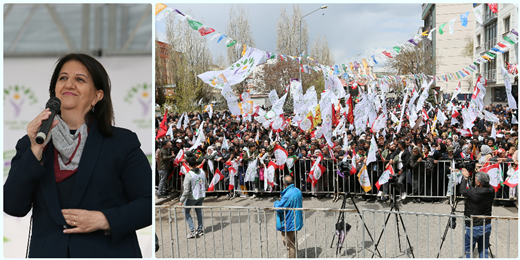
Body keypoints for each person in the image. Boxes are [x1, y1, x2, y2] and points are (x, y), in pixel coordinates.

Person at [3, 53, 151, 257]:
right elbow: (12, 206)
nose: (69, 84)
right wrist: (35, 149)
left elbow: (148, 202)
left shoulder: (121, 143)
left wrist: (104, 219)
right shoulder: (31, 143)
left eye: (80, 79)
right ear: (54, 91)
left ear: (97, 96)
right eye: (63, 78)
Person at [460, 169, 494, 258]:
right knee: (483, 250)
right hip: (486, 225)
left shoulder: (473, 192)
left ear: (479, 183)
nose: (474, 180)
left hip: (473, 225)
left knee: (468, 251)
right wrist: (481, 175)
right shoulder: (491, 190)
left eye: (475, 179)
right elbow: (485, 184)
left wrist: (466, 177)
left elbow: (463, 190)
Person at [274, 176, 303, 258]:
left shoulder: (288, 195)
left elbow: (279, 207)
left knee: (289, 243)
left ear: (284, 183)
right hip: (295, 219)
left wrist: (276, 201)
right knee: (293, 240)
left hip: (289, 221)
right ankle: (294, 256)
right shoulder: (297, 190)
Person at [178, 153, 206, 239]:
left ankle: (193, 231)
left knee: (186, 212)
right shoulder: (202, 171)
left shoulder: (189, 174)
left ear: (188, 164)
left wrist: (181, 200)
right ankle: (200, 229)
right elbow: (206, 183)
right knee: (198, 211)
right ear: (196, 163)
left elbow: (186, 190)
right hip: (201, 194)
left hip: (193, 196)